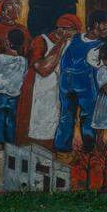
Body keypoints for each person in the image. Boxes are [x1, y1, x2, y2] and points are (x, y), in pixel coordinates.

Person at [18, 14, 82, 145]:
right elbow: (43, 69)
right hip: (39, 97)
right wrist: (61, 43)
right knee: (36, 138)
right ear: (61, 30)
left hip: (58, 98)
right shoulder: (41, 41)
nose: (74, 37)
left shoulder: (72, 44)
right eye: (72, 33)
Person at [56, 10, 107, 153]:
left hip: (87, 85)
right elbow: (64, 59)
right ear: (96, 25)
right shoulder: (75, 38)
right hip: (68, 84)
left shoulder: (102, 46)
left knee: (87, 117)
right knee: (66, 115)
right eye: (106, 26)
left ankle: (88, 150)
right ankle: (62, 148)